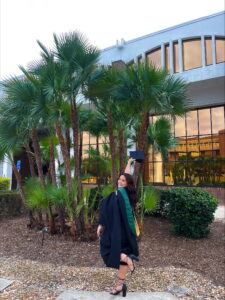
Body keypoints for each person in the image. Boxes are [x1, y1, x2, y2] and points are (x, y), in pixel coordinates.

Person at [97, 158, 139, 297]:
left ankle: (127, 258)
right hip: (126, 233)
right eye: (119, 179)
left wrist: (101, 224)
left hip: (115, 232)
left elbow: (107, 212)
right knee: (122, 257)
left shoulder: (117, 195)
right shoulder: (126, 195)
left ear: (127, 184)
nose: (119, 182)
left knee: (106, 249)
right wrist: (128, 163)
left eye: (122, 181)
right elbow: (127, 176)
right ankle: (120, 285)